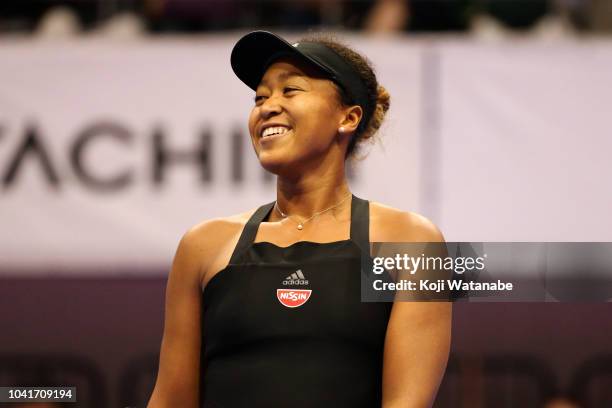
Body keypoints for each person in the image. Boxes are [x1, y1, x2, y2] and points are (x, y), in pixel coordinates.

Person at [147, 30, 452, 407]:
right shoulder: (202, 245)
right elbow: (171, 401)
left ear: (348, 117)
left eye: (290, 91)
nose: (267, 106)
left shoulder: (413, 240)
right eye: (260, 96)